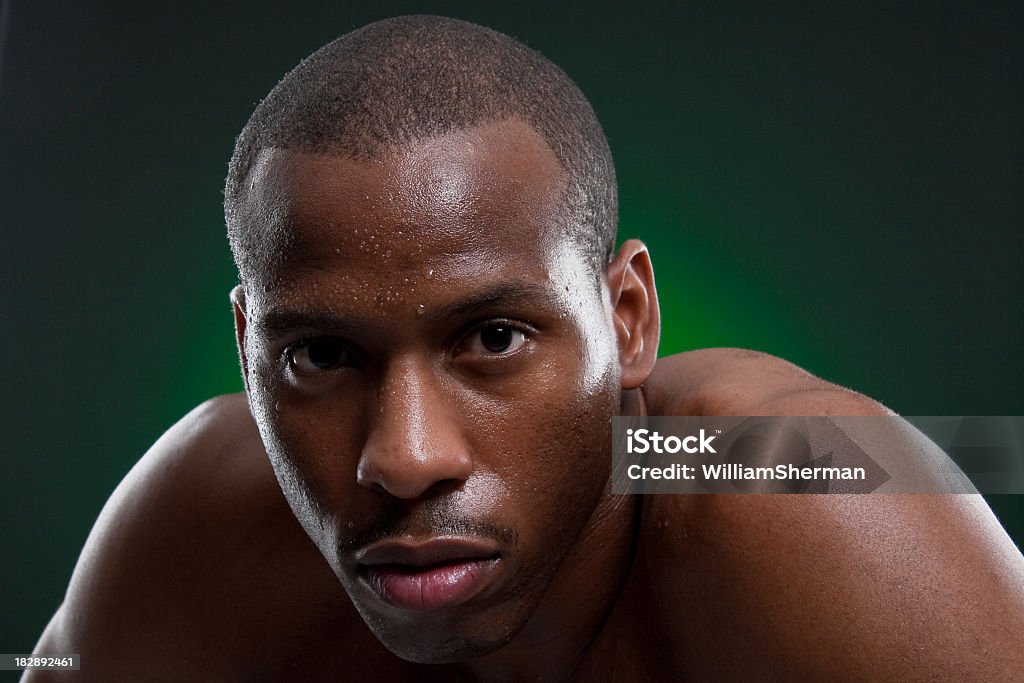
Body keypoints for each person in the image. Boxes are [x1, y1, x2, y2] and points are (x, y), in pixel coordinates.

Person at [27, 15, 1024, 681]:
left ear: (625, 317)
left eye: (493, 336)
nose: (407, 457)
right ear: (248, 345)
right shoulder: (205, 529)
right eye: (322, 354)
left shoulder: (789, 478)